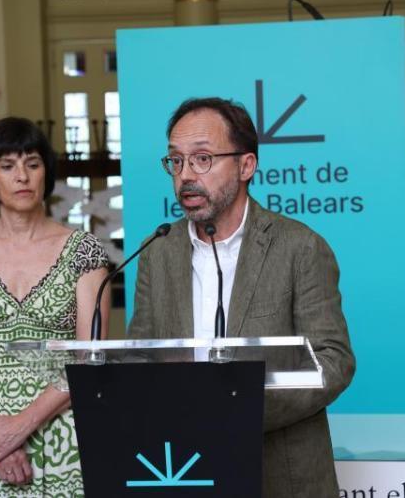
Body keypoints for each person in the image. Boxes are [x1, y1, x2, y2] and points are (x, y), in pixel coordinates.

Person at [127, 98, 355, 498]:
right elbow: (139, 354)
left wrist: (239, 410)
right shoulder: (157, 250)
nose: (185, 176)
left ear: (246, 166)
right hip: (182, 468)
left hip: (279, 474)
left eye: (202, 159)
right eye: (176, 161)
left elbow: (332, 361)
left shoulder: (300, 247)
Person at [0, 117, 109, 497]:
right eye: (7, 166)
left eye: (33, 163)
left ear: (47, 173)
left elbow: (90, 356)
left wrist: (21, 426)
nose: (22, 177)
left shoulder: (84, 251)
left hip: (62, 431)